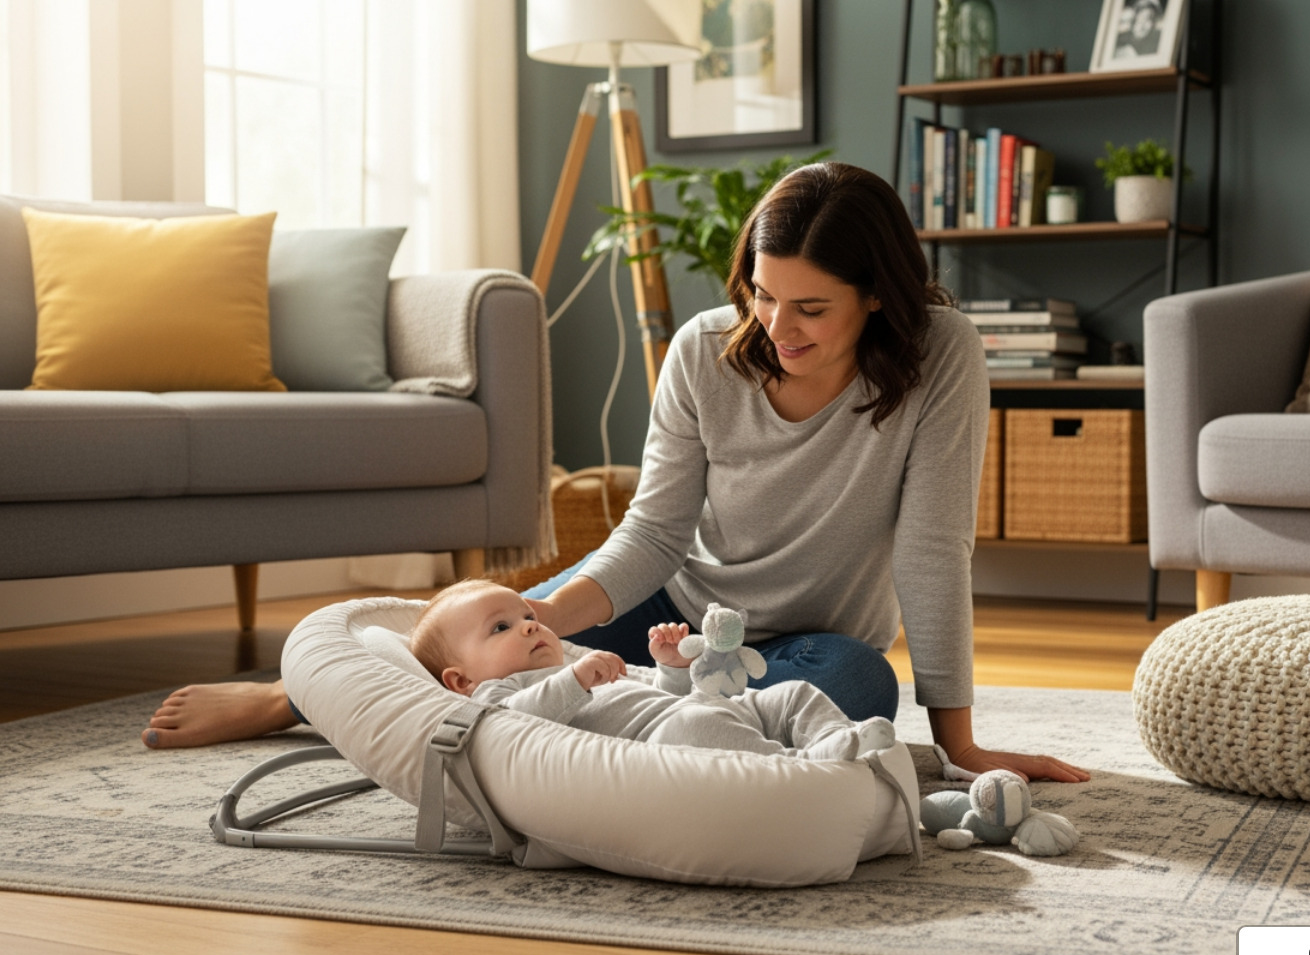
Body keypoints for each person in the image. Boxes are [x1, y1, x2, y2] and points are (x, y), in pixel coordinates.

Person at [142, 161, 1090, 786]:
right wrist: (542, 621)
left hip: (807, 641)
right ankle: (300, 698)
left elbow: (931, 548)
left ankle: (612, 711)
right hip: (673, 601)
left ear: (877, 298)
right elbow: (655, 533)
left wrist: (957, 745)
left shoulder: (942, 355)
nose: (777, 328)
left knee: (856, 695)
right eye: (761, 295)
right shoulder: (703, 351)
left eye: (811, 308)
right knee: (493, 636)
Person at [411, 577, 895, 760]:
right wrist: (573, 680)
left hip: (700, 711)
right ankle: (804, 767)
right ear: (461, 679)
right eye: (501, 628)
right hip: (671, 739)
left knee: (790, 696)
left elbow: (661, 693)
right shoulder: (491, 698)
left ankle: (834, 737)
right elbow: (514, 722)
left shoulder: (577, 661)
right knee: (694, 723)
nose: (529, 628)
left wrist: (670, 669)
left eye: (530, 617)